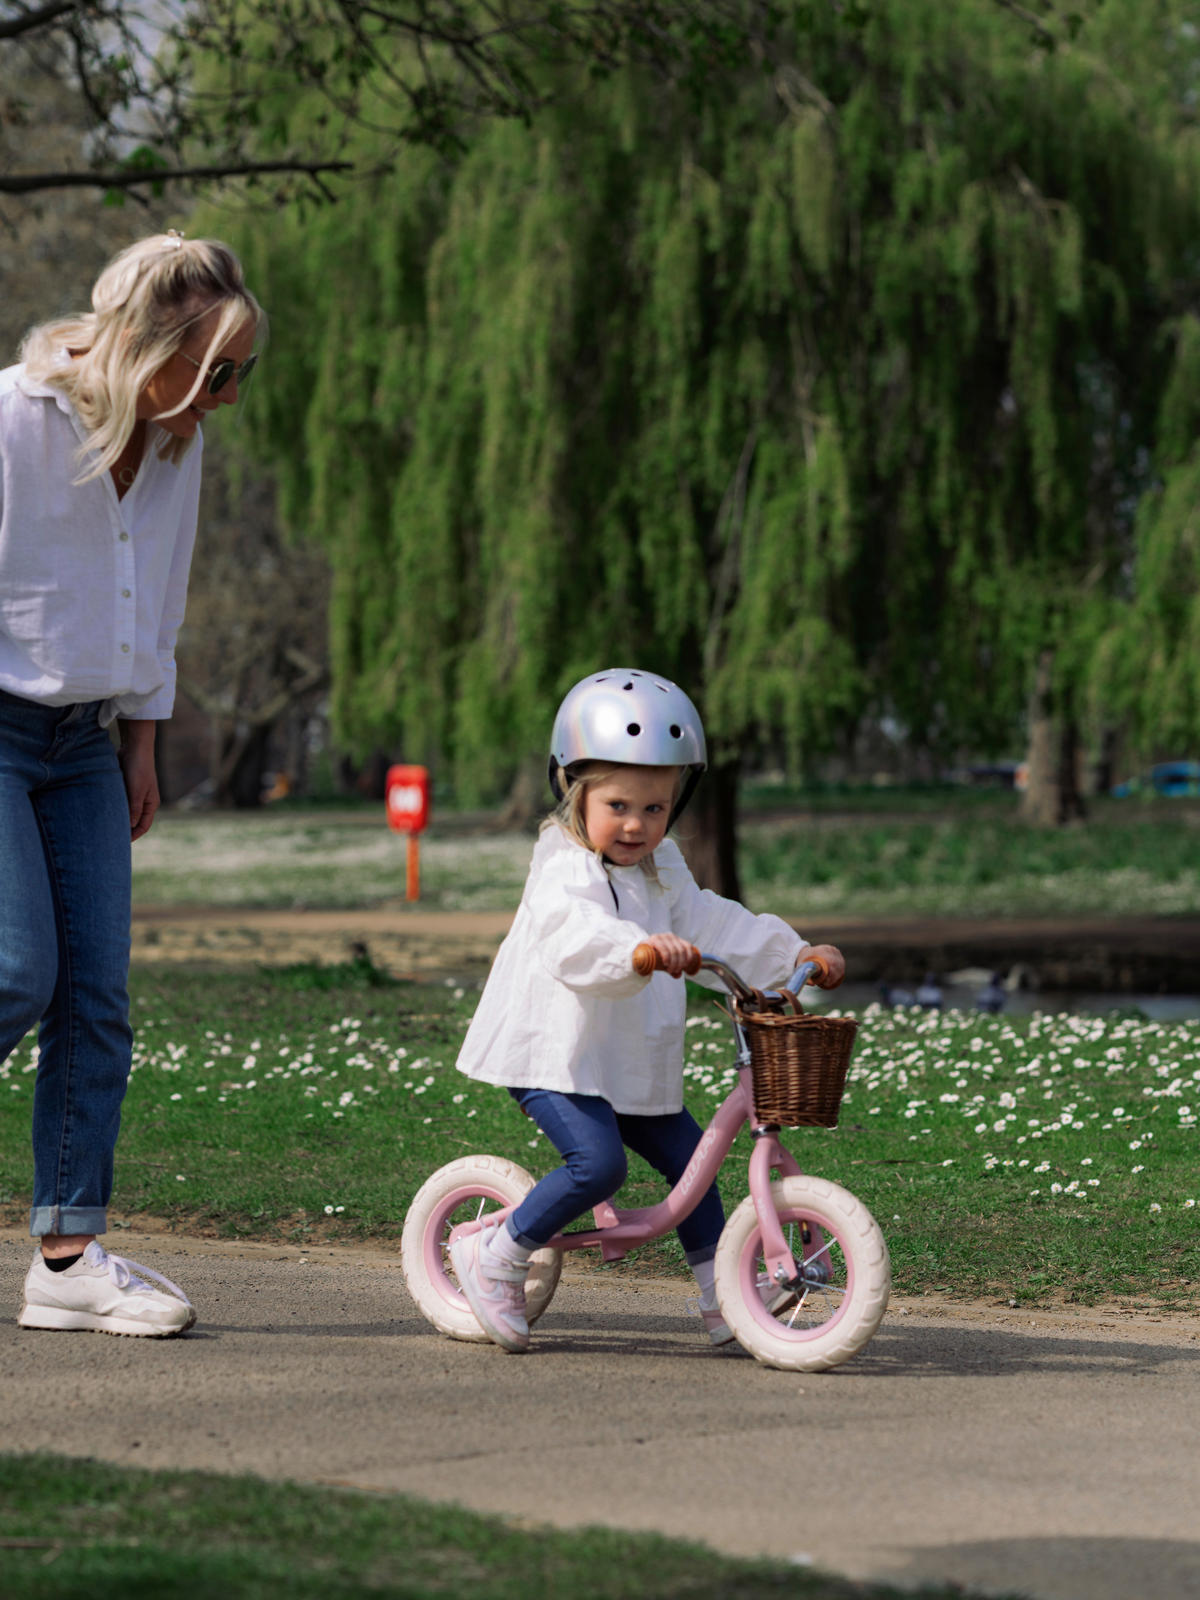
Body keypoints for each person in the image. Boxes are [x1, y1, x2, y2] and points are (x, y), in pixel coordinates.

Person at [1, 231, 262, 1336]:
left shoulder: (172, 442)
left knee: (97, 1001)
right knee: (18, 968)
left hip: (87, 745)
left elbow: (160, 594)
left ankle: (66, 1257)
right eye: (211, 373)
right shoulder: (14, 421)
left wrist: (143, 740)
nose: (221, 401)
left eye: (235, 377)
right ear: (146, 344)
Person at [451, 667, 845, 1353]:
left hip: (629, 1056)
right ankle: (499, 1256)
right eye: (619, 805)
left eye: (656, 809)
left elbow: (716, 924)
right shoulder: (563, 867)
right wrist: (634, 952)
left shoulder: (664, 870)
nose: (637, 824)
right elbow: (572, 936)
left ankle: (725, 1295)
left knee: (696, 1167)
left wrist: (795, 953)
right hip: (556, 1054)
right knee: (597, 1165)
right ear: (574, 790)